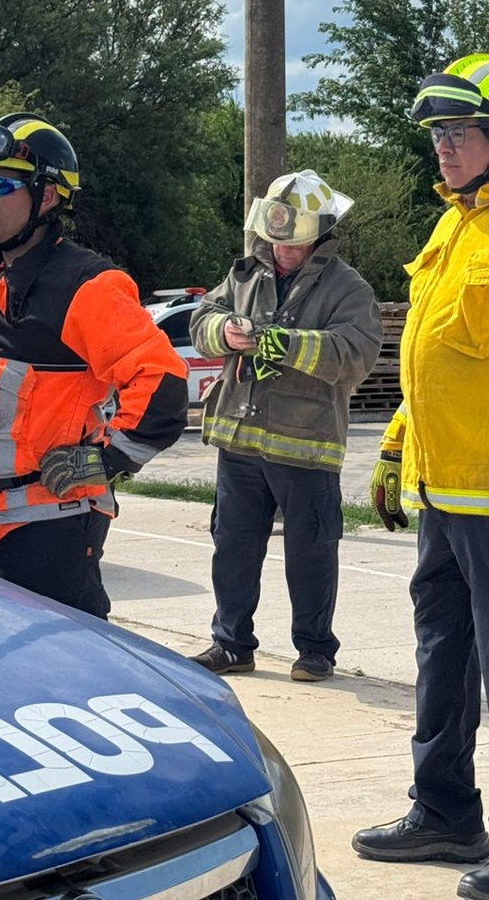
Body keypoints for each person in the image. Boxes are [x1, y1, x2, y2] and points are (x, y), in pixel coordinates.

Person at [353, 54, 489, 900]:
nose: (441, 148)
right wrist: (395, 445)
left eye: (456, 132)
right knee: (445, 656)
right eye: (434, 134)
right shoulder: (454, 224)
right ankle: (444, 812)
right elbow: (429, 358)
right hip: (443, 487)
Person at [0, 113, 189, 618]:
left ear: (48, 195)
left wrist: (105, 461)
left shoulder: (88, 285)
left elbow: (162, 383)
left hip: (50, 526)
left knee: (66, 675)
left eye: (1, 183)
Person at [187, 170, 383, 682]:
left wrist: (286, 346)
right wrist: (224, 332)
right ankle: (231, 644)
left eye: (292, 241)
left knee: (311, 552)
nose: (281, 250)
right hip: (240, 441)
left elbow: (356, 353)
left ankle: (315, 650)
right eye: (274, 238)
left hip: (307, 445)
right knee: (232, 545)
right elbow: (201, 318)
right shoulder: (246, 274)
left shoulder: (348, 287)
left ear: (317, 234)